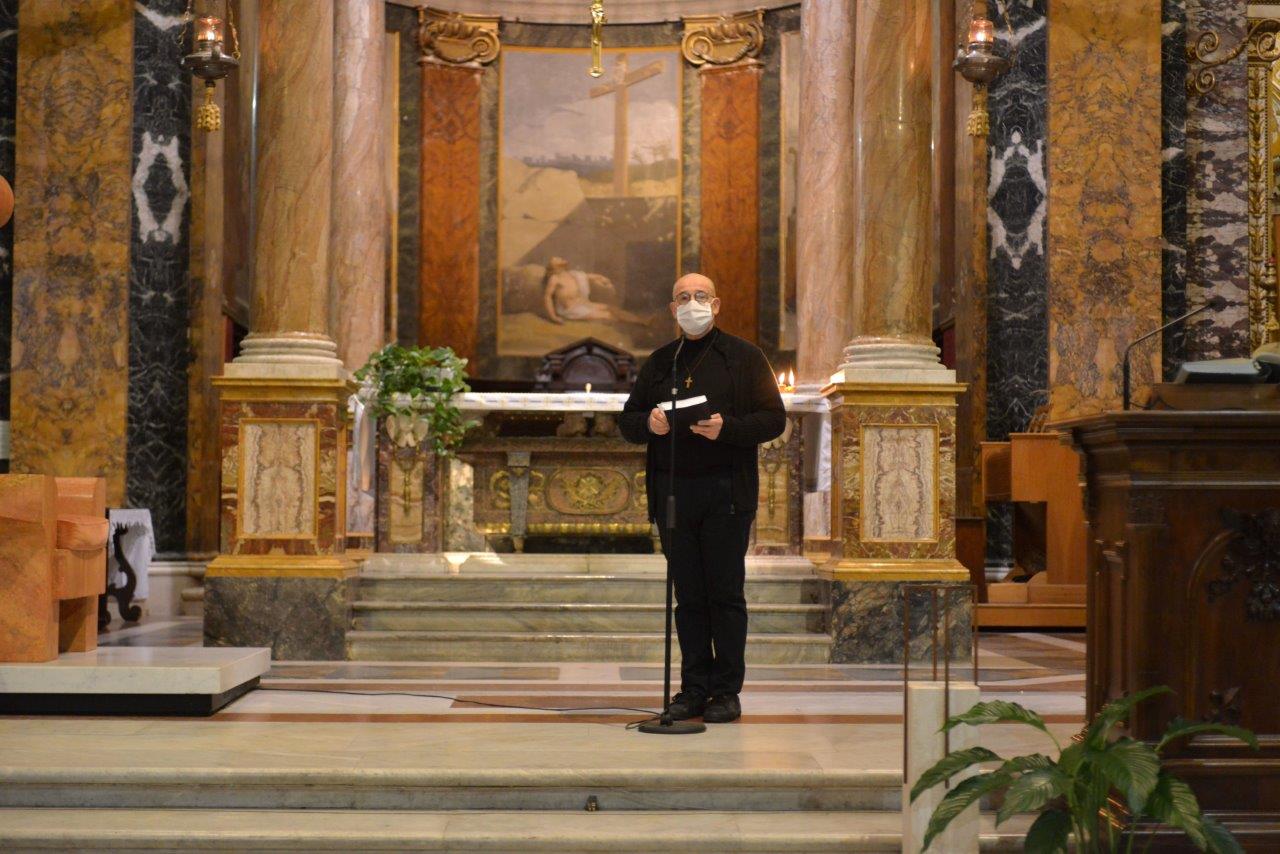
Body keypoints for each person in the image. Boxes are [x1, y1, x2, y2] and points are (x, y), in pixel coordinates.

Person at [619, 273, 786, 724]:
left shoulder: (744, 357)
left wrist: (727, 428)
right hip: (674, 495)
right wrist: (649, 423)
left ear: (716, 304)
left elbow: (774, 419)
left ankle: (725, 692)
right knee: (689, 597)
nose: (691, 303)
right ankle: (693, 689)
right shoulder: (662, 361)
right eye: (682, 297)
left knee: (725, 595)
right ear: (672, 309)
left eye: (700, 296)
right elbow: (628, 420)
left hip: (727, 493)